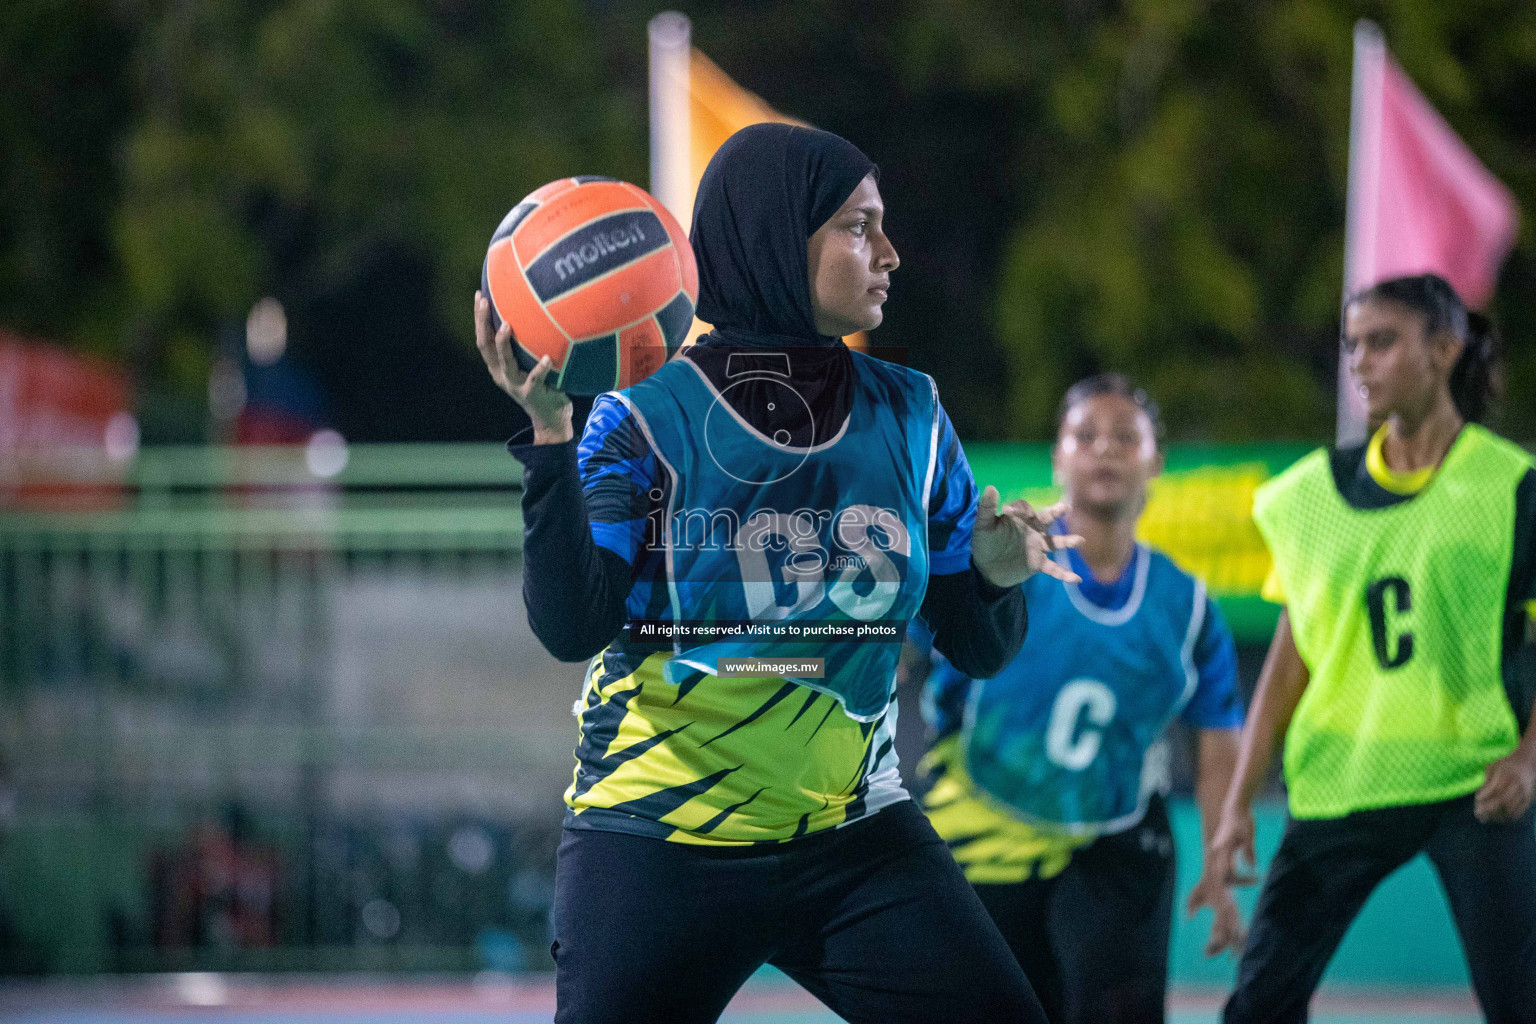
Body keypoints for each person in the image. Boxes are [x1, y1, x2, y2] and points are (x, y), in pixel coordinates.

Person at [475, 123, 1074, 1024]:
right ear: (774, 239)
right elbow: (572, 627)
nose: (891, 254)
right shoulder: (645, 419)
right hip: (658, 836)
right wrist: (551, 440)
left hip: (852, 836)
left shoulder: (912, 413)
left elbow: (976, 645)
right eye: (858, 227)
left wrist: (990, 577)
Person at [1210, 273, 1536, 1024]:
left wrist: (1526, 758)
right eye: (1352, 344)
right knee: (1257, 1008)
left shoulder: (1512, 488)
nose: (1359, 362)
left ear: (1445, 349)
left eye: (1382, 342)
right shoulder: (1309, 497)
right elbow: (1291, 658)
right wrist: (1236, 803)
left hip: (1471, 782)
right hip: (1345, 779)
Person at [917, 373, 1245, 1024]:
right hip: (990, 821)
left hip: (1116, 837)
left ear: (1156, 461)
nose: (1105, 449)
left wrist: (1218, 850)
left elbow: (1218, 731)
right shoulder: (997, 563)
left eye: (1126, 437)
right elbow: (917, 668)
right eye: (1085, 435)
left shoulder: (1186, 605)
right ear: (1057, 456)